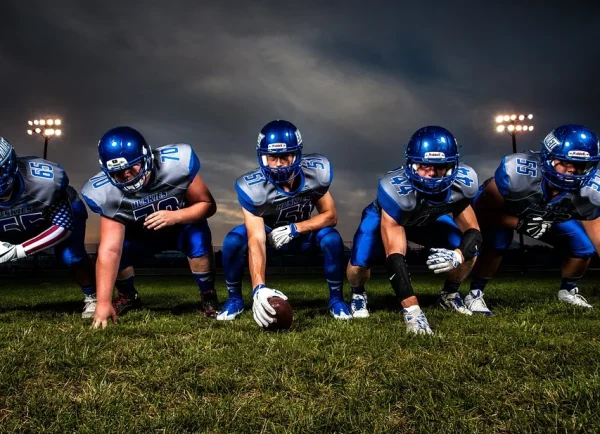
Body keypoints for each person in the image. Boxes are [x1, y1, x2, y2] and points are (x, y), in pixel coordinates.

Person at [346, 126, 483, 334]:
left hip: (425, 221)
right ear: (411, 164)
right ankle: (358, 293)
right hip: (389, 217)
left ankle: (449, 295)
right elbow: (395, 256)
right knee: (359, 262)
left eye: (440, 166)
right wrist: (412, 310)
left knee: (469, 249)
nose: (431, 173)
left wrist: (458, 254)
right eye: (424, 165)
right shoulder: (394, 190)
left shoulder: (464, 183)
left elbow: (474, 232)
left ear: (453, 165)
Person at [217, 119, 351, 327]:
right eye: (272, 157)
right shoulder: (252, 187)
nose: (278, 164)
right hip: (268, 234)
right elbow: (256, 239)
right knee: (233, 241)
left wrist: (296, 228)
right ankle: (235, 299)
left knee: (332, 239)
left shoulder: (314, 174)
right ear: (263, 157)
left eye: (284, 157)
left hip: (302, 233)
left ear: (296, 155)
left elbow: (330, 216)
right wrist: (259, 287)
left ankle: (336, 300)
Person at [81, 126, 218, 328]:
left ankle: (208, 295)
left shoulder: (177, 164)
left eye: (132, 167)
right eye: (118, 172)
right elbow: (110, 249)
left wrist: (176, 216)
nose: (127, 176)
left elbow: (208, 205)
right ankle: (128, 296)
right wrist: (103, 303)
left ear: (146, 158)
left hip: (180, 227)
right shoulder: (103, 192)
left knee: (198, 238)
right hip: (141, 234)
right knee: (115, 251)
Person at [468, 124, 600, 313]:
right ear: (548, 157)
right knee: (498, 243)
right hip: (506, 210)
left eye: (580, 165)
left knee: (582, 247)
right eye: (565, 162)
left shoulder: (592, 190)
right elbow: (481, 210)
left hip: (548, 214)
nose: (572, 171)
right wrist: (518, 222)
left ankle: (568, 291)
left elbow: (597, 233)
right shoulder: (516, 173)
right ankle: (475, 292)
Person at [0, 137, 96, 316]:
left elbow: (63, 226)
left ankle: (93, 296)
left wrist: (18, 251)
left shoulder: (43, 181)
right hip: (7, 225)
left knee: (71, 256)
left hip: (51, 218)